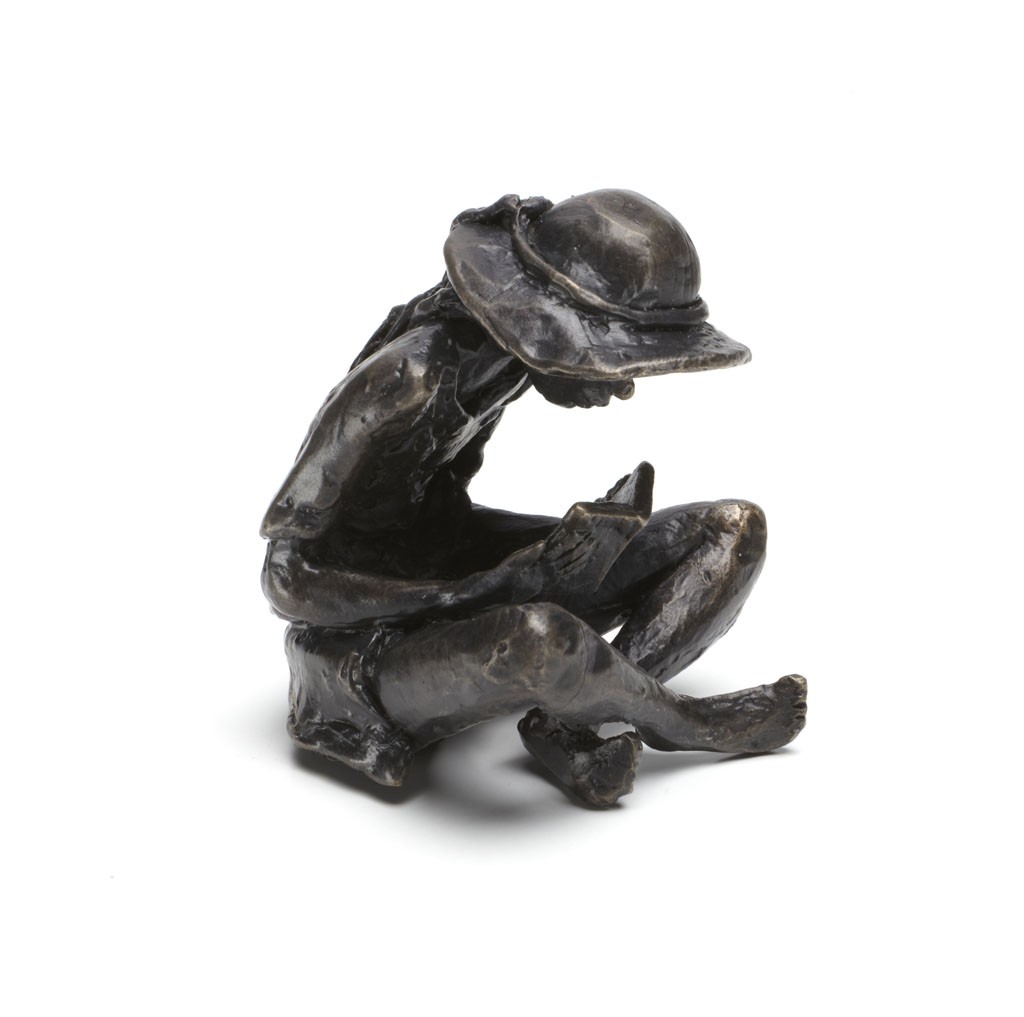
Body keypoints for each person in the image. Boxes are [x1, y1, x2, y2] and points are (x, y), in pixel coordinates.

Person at [260, 190, 806, 807]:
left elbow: (439, 521)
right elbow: (284, 577)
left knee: (731, 530)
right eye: (613, 357)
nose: (623, 386)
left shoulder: (505, 362)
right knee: (542, 638)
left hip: (454, 571)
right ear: (546, 324)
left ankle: (569, 724)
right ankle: (684, 722)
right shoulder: (406, 379)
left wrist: (544, 561)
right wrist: (472, 593)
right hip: (361, 648)